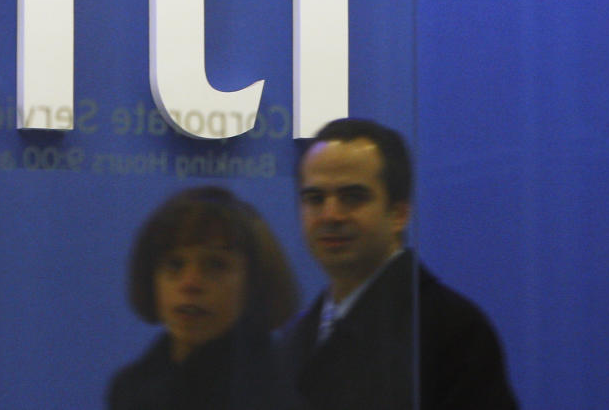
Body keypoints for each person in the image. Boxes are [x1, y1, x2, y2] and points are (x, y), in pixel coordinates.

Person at [288, 118, 518, 410]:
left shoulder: (452, 332)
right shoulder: (293, 340)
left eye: (353, 197)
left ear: (399, 213)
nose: (330, 215)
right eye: (315, 198)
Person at [107, 185, 300, 410]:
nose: (190, 283)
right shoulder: (130, 388)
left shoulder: (282, 391)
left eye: (215, 265)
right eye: (174, 265)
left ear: (254, 283)